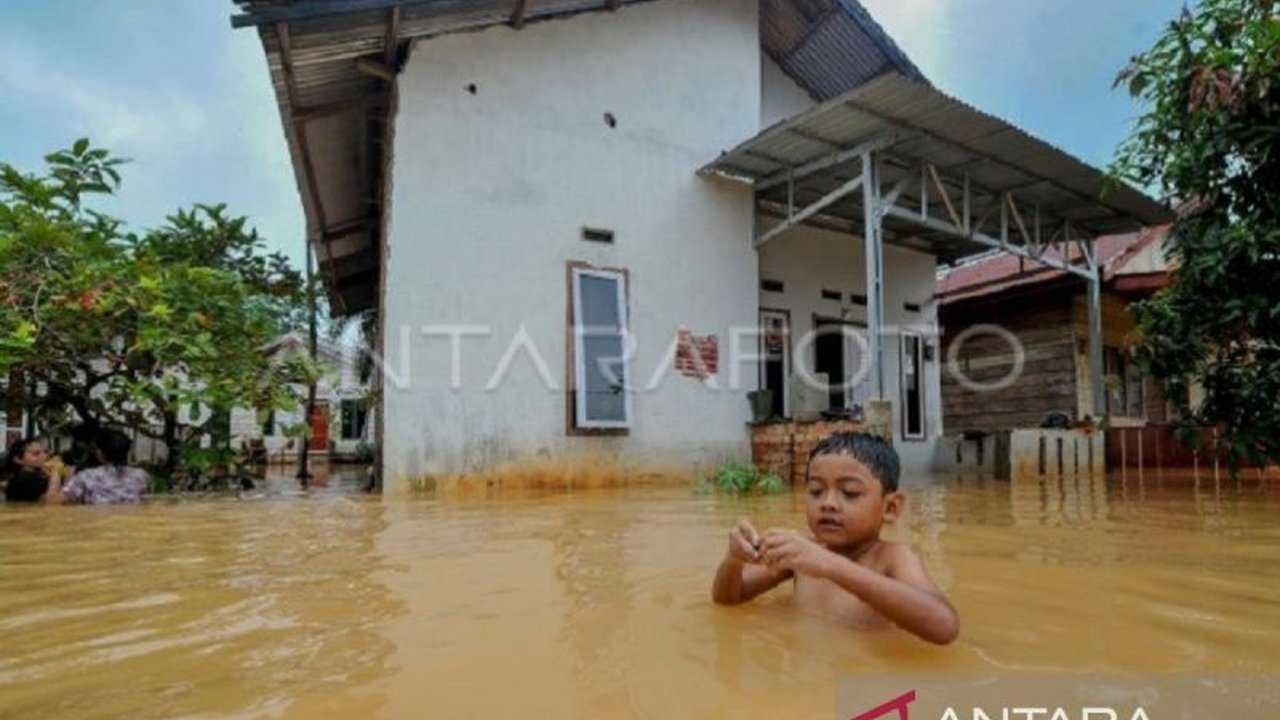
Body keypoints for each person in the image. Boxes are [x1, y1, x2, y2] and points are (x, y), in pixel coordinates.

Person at [711, 432, 959, 645]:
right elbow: (728, 599)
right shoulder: (802, 552)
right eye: (816, 491)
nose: (827, 504)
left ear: (891, 507)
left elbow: (944, 627)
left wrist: (831, 565)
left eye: (850, 493)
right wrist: (734, 561)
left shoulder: (892, 558)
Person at [45, 429, 149, 505]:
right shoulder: (142, 476)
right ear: (127, 453)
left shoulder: (87, 476)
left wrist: (56, 472)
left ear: (100, 454)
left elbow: (52, 503)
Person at [3, 436, 54, 503]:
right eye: (36, 454)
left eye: (44, 452)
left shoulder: (40, 474)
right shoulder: (22, 481)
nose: (43, 456)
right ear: (18, 459)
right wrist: (55, 473)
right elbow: (49, 501)